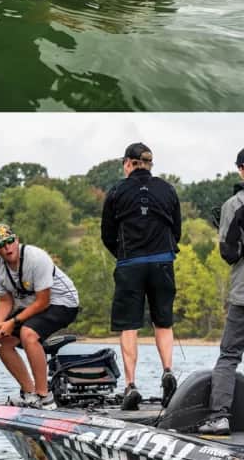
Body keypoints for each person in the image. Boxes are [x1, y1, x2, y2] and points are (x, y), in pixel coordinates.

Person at [101, 143, 181, 412]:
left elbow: (107, 234)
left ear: (127, 164)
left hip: (130, 264)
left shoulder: (116, 192)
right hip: (162, 262)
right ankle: (168, 371)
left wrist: (124, 255)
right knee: (163, 322)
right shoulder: (167, 189)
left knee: (129, 326)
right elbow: (176, 229)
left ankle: (131, 385)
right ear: (148, 164)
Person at [0, 223, 80, 410]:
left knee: (29, 333)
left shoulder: (36, 258)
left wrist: (13, 322)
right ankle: (30, 394)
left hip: (63, 303)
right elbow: (5, 302)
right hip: (33, 306)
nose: (7, 247)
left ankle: (45, 397)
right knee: (1, 340)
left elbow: (43, 301)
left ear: (17, 240)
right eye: (2, 244)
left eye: (10, 241)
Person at [197, 149, 244, 435]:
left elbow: (229, 253)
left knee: (229, 355)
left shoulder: (234, 204)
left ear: (241, 169)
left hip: (242, 294)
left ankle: (219, 418)